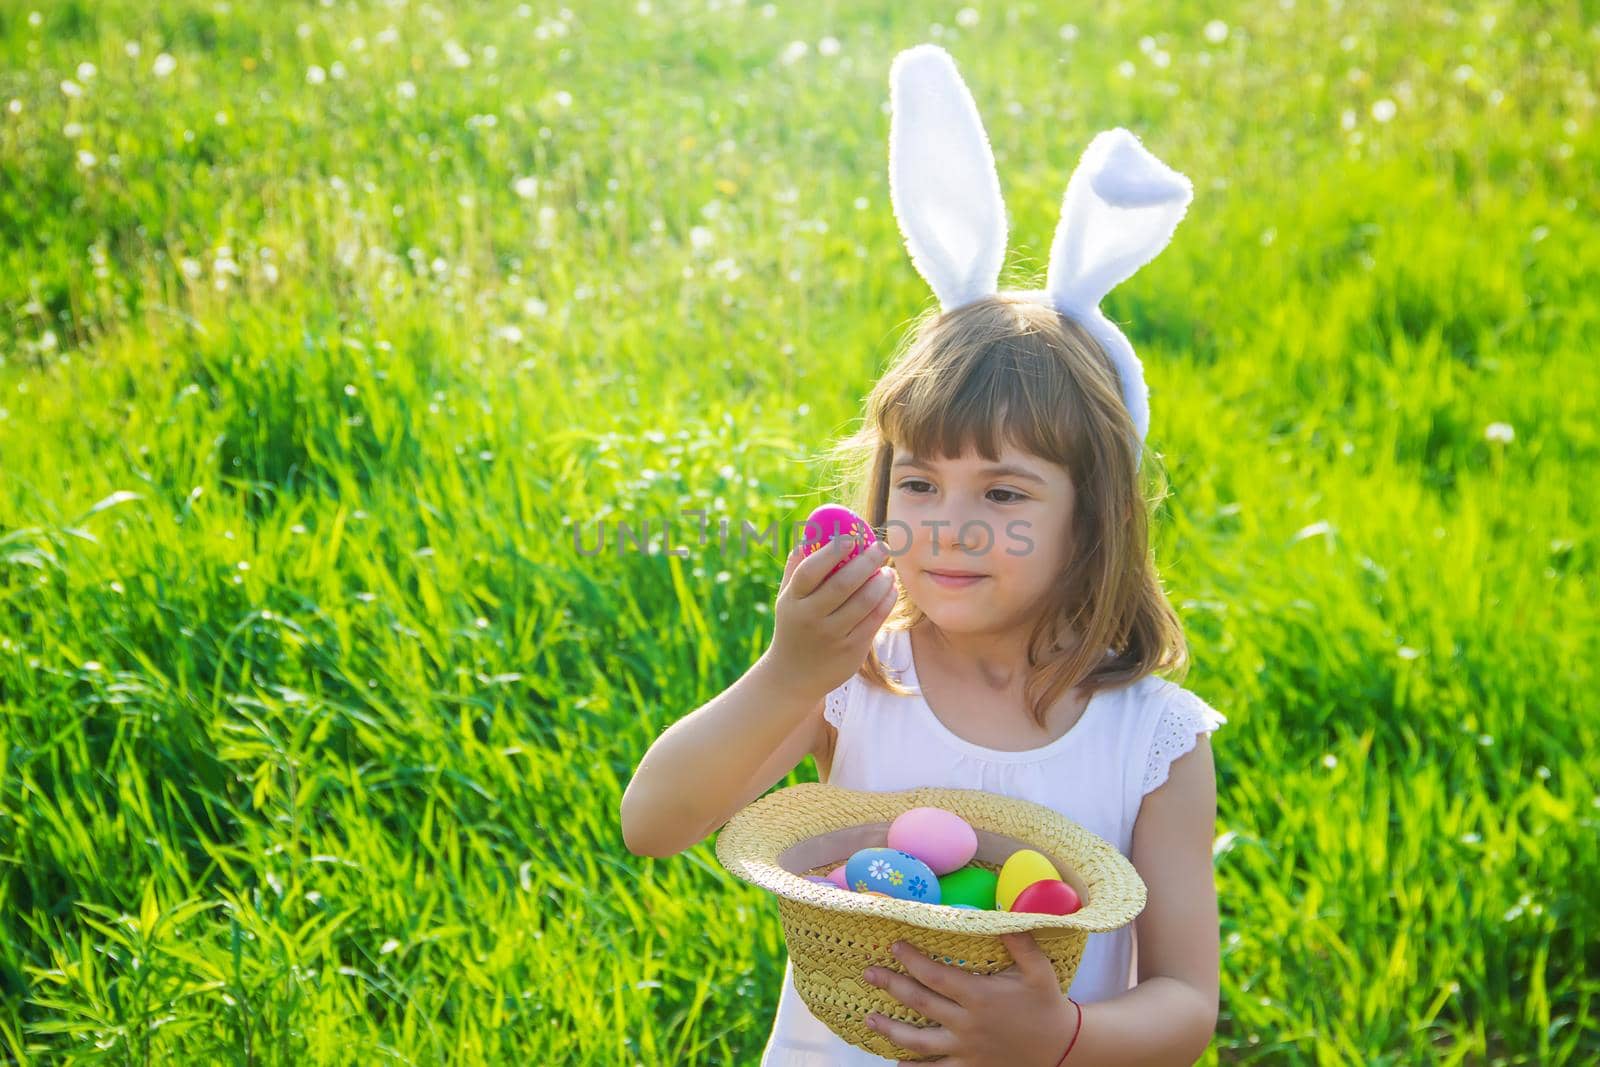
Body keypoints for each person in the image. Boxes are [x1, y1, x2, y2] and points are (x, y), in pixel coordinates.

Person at [621, 43, 1225, 1065]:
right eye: (918, 482)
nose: (946, 523)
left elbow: (1183, 1001)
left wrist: (1060, 1033)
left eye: (1001, 491)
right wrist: (789, 669)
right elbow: (657, 819)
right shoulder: (860, 674)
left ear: (1097, 519)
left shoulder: (1150, 734)